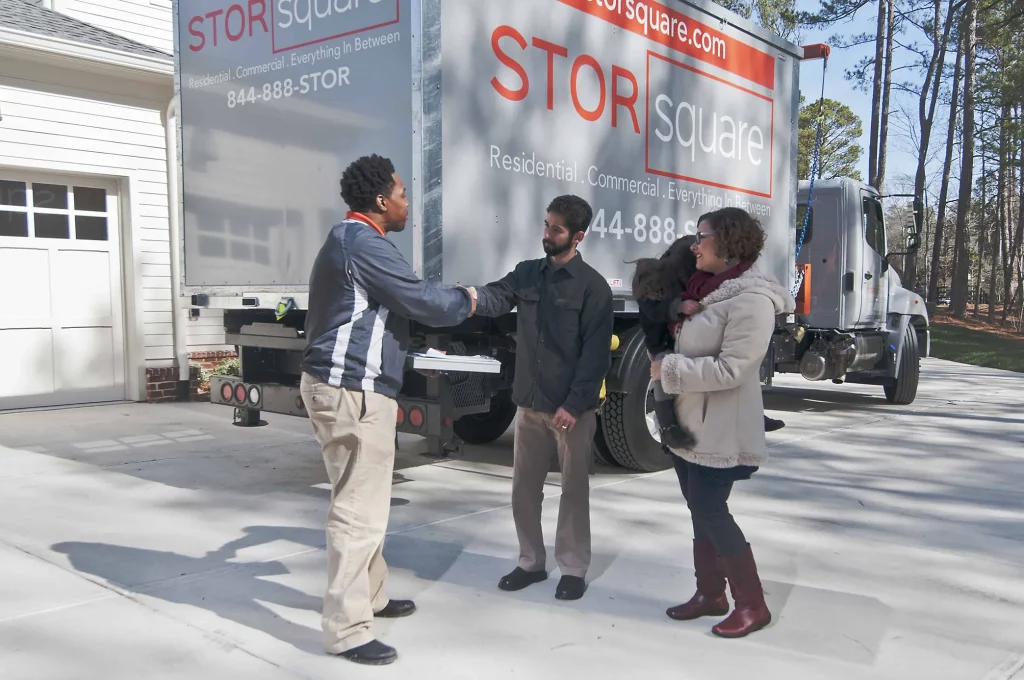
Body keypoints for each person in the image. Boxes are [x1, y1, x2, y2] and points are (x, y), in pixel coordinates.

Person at [300, 154, 477, 666]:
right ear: (381, 201)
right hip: (353, 391)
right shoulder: (364, 244)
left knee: (361, 498)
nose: (406, 204)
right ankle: (347, 629)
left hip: (345, 386)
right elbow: (423, 301)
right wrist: (472, 299)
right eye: (401, 195)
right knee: (360, 511)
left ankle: (371, 596)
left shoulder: (349, 240)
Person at [650, 207, 795, 638]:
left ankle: (753, 605)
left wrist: (669, 370)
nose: (694, 245)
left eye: (703, 236)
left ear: (729, 243)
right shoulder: (708, 292)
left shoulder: (751, 301)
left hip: (721, 429)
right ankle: (710, 595)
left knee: (712, 510)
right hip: (689, 423)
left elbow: (734, 369)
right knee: (699, 512)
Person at [467, 195, 614, 601]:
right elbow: (498, 295)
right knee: (524, 489)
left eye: (556, 229)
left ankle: (573, 568)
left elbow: (596, 355)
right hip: (529, 404)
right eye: (546, 225)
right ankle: (530, 562)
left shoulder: (594, 289)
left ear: (578, 236)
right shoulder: (528, 274)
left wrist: (574, 403)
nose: (546, 234)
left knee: (573, 490)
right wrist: (469, 298)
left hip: (571, 409)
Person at [632, 235, 700, 449]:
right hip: (660, 343)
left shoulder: (686, 279)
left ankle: (751, 413)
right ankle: (668, 429)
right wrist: (677, 307)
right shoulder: (652, 279)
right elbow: (651, 310)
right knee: (662, 376)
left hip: (682, 340)